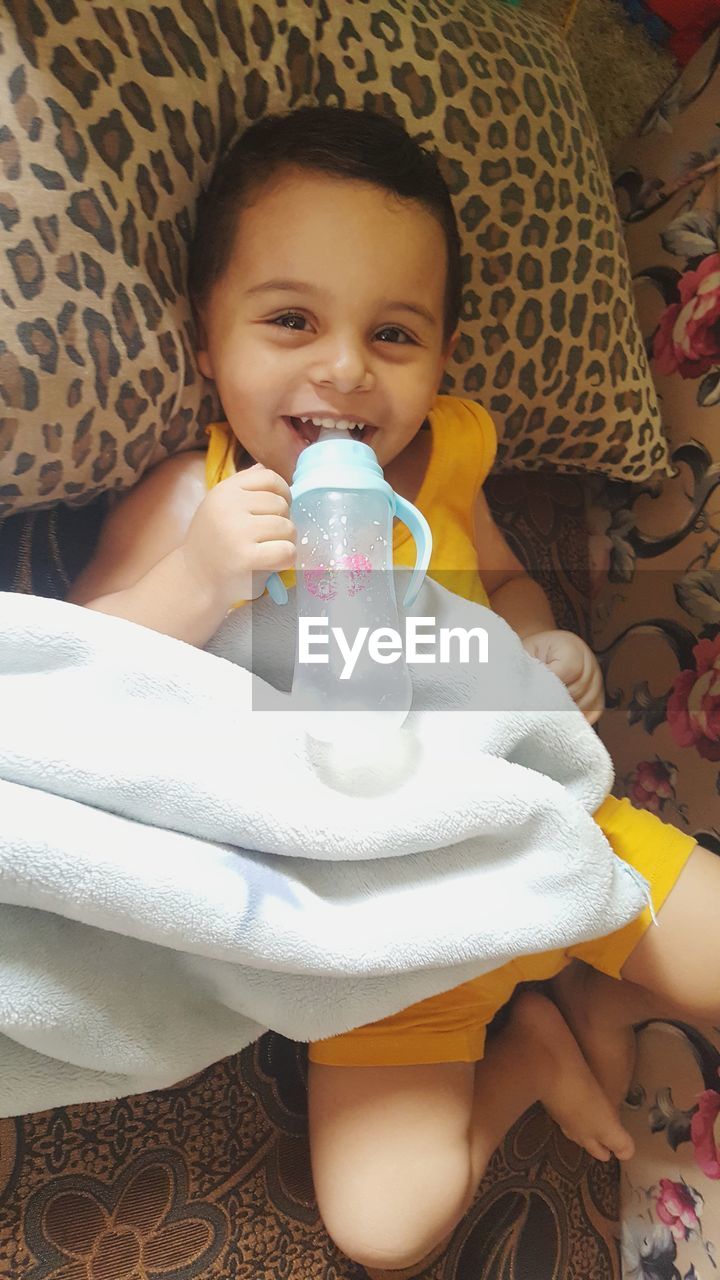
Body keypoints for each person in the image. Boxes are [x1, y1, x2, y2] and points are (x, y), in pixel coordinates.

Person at [68, 107, 716, 1274]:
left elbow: (507, 585)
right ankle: (524, 1052)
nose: (347, 368)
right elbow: (82, 681)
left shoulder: (447, 461)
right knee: (386, 1229)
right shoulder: (194, 498)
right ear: (206, 341)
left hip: (541, 832)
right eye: (291, 320)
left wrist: (545, 642)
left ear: (442, 358)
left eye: (396, 333)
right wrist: (200, 574)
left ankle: (601, 993)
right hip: (374, 922)